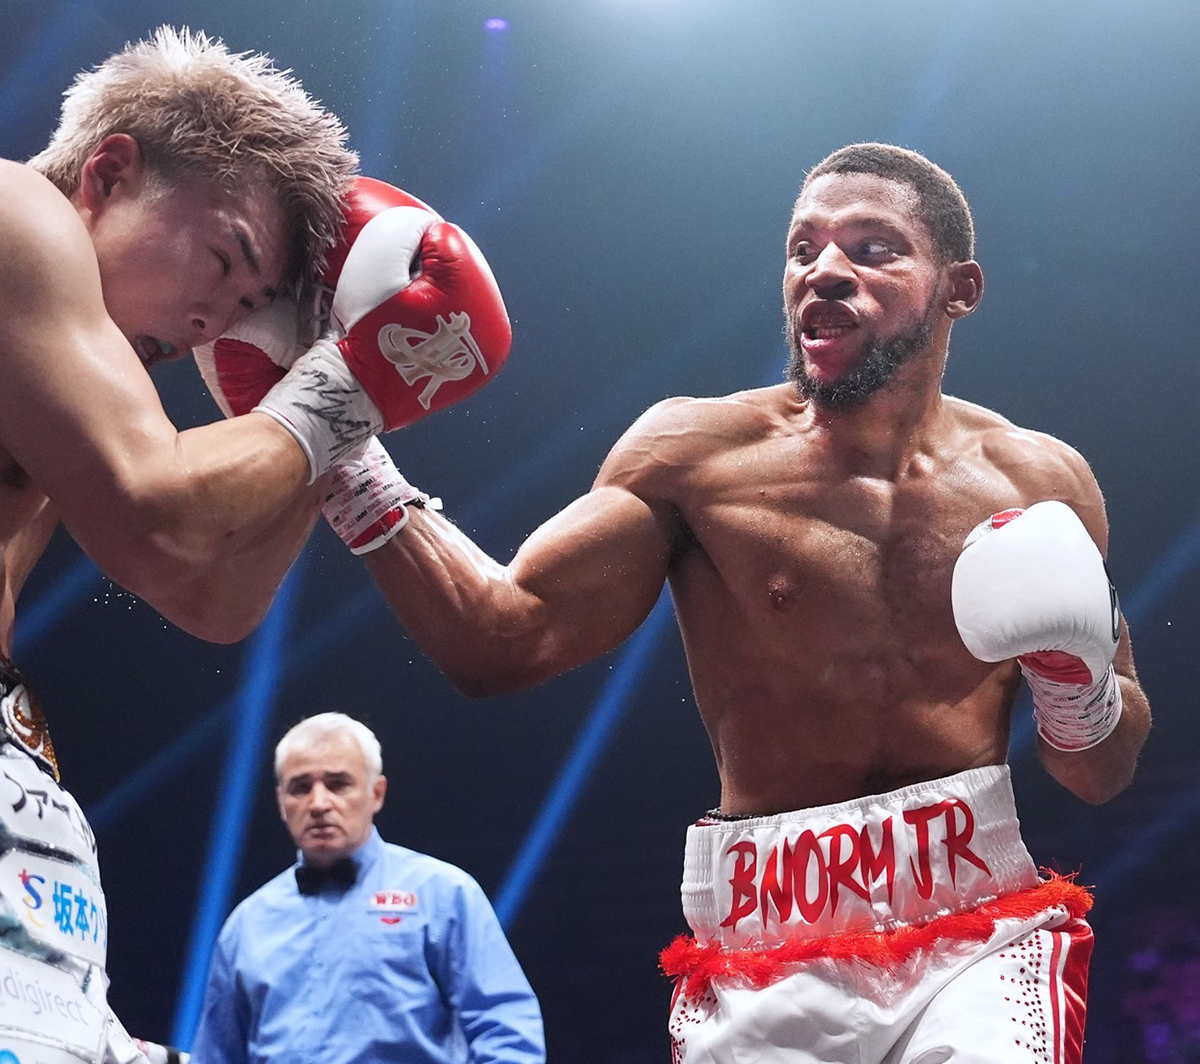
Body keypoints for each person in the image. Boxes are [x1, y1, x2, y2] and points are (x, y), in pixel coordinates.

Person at [230, 143, 1149, 1063]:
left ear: (960, 286)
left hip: (976, 937)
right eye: (803, 248)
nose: (824, 270)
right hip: (765, 945)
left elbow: (1098, 772)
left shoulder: (1038, 482)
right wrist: (340, 446)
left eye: (873, 248)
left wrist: (1074, 682)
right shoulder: (695, 459)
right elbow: (499, 643)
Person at [0, 26, 508, 1064]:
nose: (205, 326)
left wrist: (331, 411)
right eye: (222, 261)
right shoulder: (20, 214)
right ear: (111, 171)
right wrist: (351, 375)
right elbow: (163, 509)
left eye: (242, 309)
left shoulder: (76, 374)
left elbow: (211, 597)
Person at [189, 712, 545, 1064]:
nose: (318, 803)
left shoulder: (442, 893)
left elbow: (508, 1032)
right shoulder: (247, 924)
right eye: (301, 787)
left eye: (338, 783)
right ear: (282, 802)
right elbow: (216, 1057)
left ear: (376, 793)